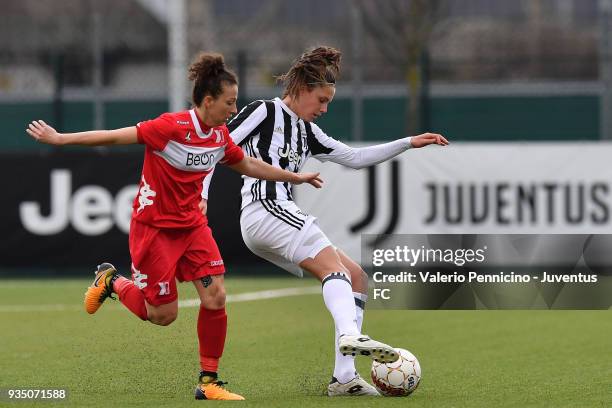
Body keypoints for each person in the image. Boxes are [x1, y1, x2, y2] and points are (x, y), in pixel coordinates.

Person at [26, 52, 322, 401]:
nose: (233, 108)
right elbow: (111, 136)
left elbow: (247, 164)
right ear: (208, 100)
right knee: (162, 315)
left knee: (216, 296)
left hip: (193, 227)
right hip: (154, 231)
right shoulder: (170, 127)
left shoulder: (219, 136)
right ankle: (111, 280)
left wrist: (293, 176)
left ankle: (209, 382)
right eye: (228, 102)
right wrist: (60, 139)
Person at [202, 46, 449, 397]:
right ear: (301, 89)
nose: (324, 109)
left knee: (358, 278)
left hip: (278, 215)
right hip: (264, 208)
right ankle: (349, 333)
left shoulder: (307, 131)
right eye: (320, 100)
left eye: (328, 102)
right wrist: (202, 195)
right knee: (337, 270)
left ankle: (344, 378)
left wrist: (408, 143)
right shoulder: (264, 112)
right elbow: (216, 148)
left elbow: (353, 157)